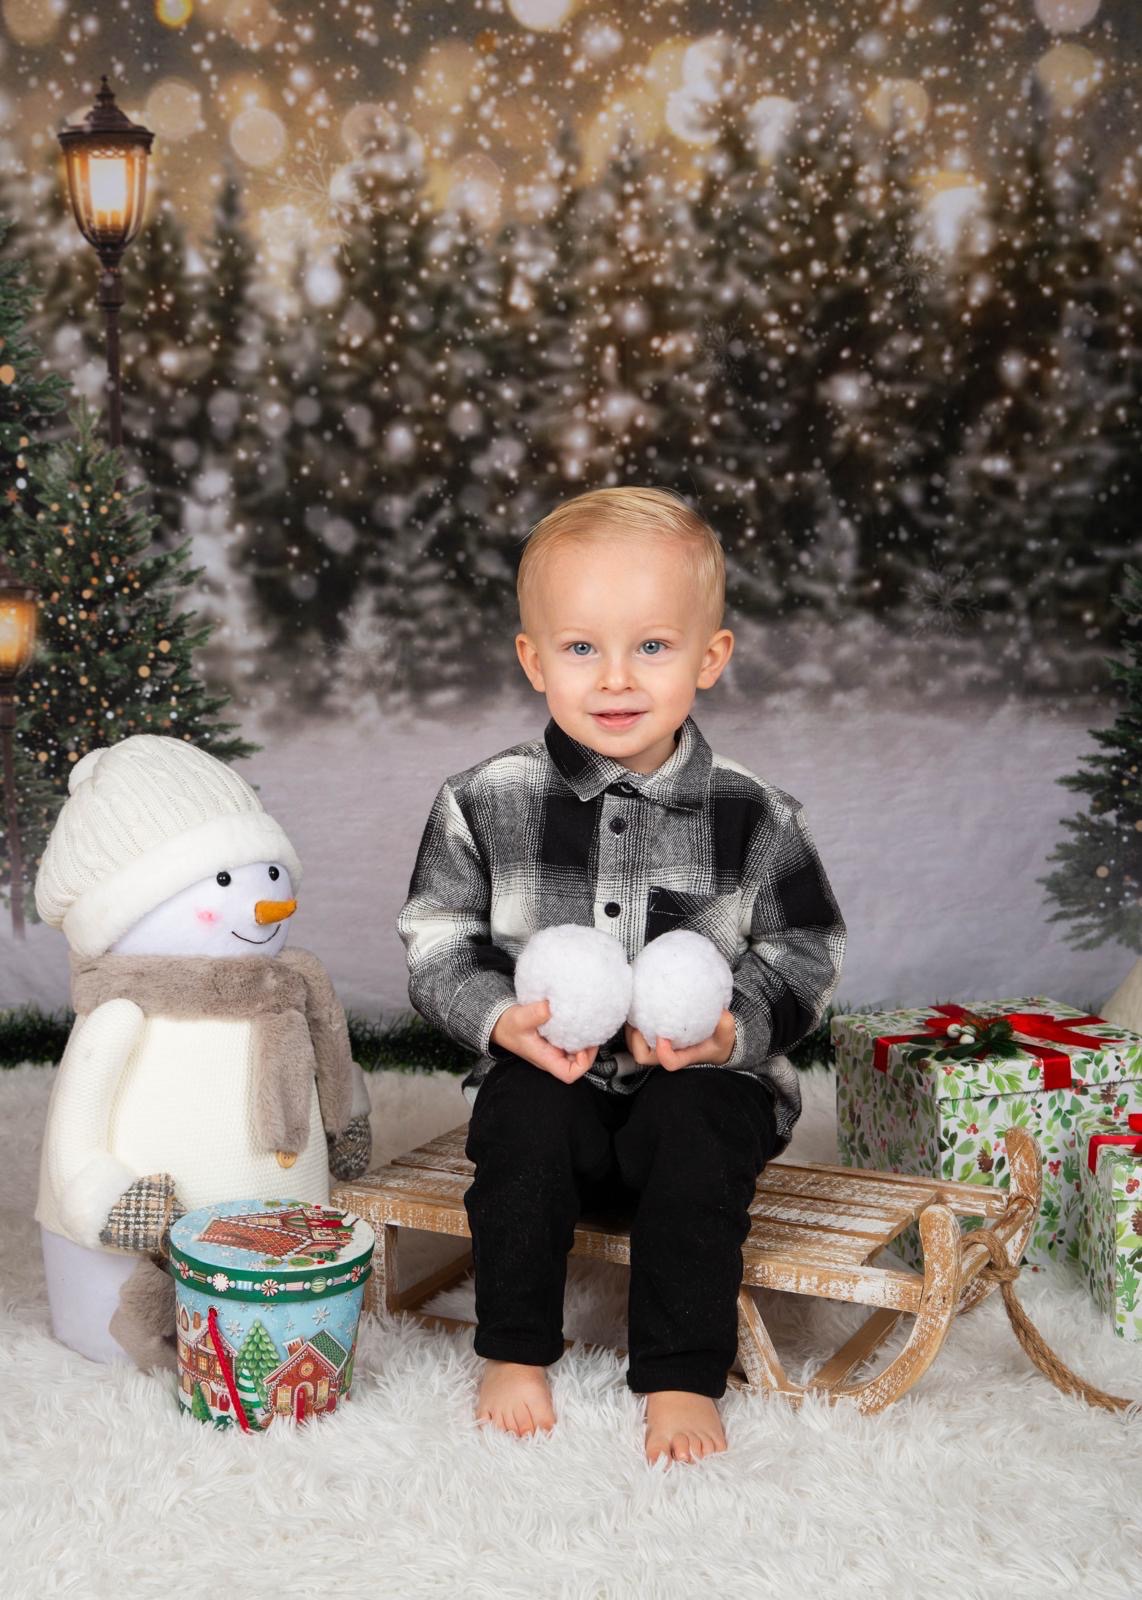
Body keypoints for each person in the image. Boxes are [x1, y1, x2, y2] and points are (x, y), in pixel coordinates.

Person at [396, 485, 846, 1465]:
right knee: (519, 1127)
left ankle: (680, 1373)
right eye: (579, 647)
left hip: (697, 1082)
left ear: (708, 658)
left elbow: (805, 948)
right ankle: (515, 1350)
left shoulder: (754, 815)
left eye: (650, 645)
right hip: (551, 1075)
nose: (614, 678)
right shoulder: (482, 800)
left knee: (698, 1130)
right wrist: (499, 1019)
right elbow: (438, 937)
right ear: (532, 660)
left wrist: (730, 1030)